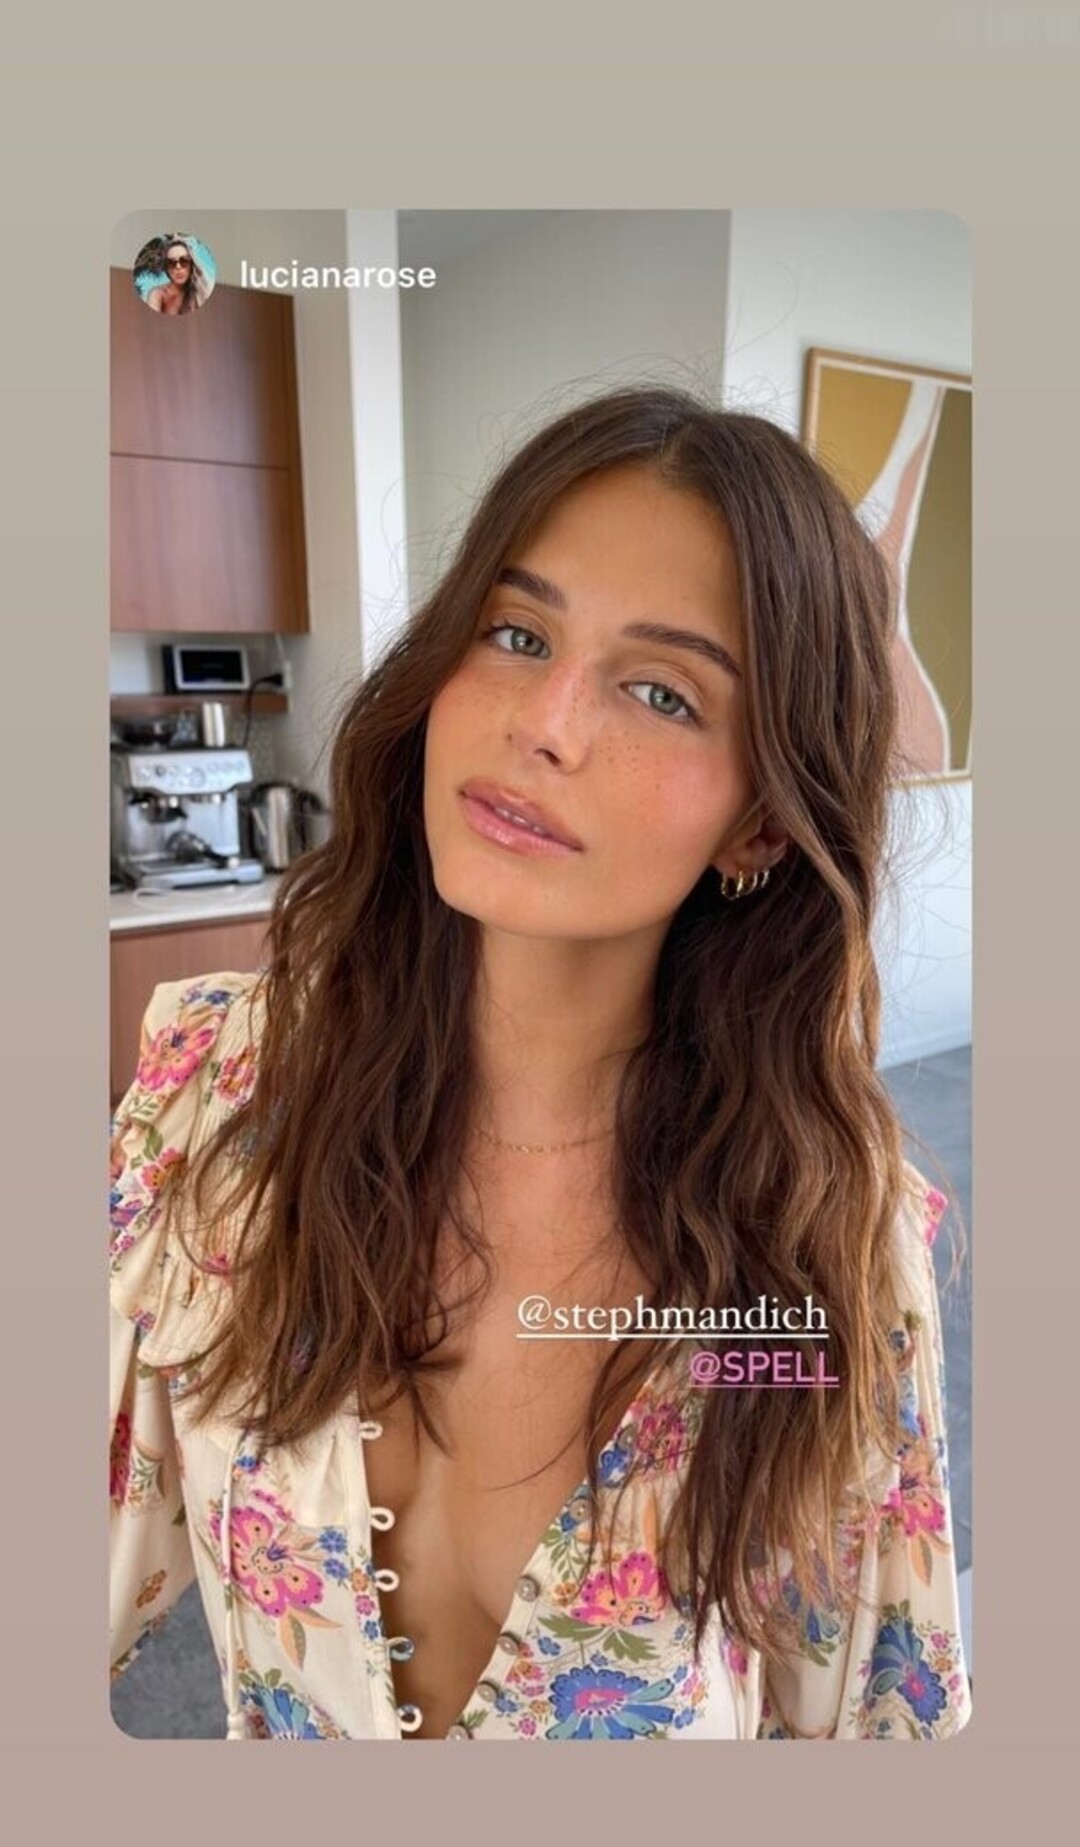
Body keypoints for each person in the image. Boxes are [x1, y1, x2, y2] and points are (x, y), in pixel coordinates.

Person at [109, 384, 972, 1742]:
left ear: (758, 822)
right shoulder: (214, 1098)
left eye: (660, 691)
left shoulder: (826, 1246)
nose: (547, 720)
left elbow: (872, 1724)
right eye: (517, 633)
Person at [141, 233, 212, 314]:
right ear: (166, 269)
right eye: (171, 263)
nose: (178, 267)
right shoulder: (157, 293)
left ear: (192, 265)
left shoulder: (197, 293)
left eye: (184, 261)